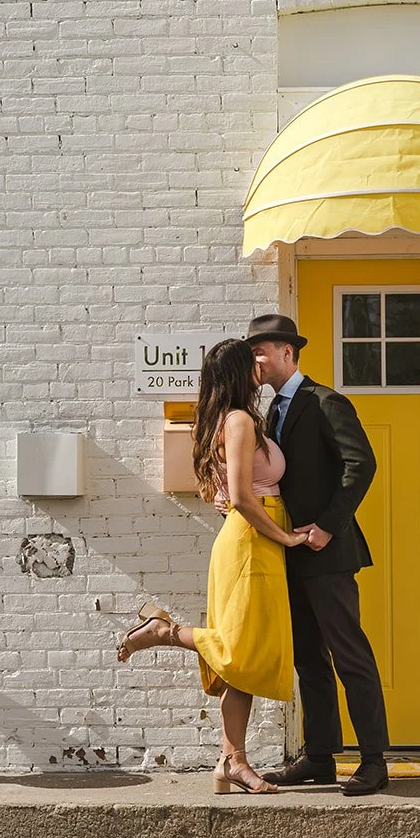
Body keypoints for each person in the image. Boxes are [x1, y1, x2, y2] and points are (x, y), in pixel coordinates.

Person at [115, 337, 308, 794]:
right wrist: (285, 535)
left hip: (247, 539)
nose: (261, 365)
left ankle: (231, 761)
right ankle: (165, 631)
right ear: (241, 372)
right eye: (253, 360)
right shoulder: (239, 420)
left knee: (243, 660)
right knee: (241, 650)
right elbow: (242, 496)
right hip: (252, 540)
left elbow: (220, 494)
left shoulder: (225, 420)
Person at [245, 312, 391, 796]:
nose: (256, 361)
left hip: (327, 553)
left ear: (287, 352)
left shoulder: (326, 401)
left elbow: (361, 464)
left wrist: (328, 526)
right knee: (308, 658)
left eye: (261, 351)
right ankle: (320, 757)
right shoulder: (268, 413)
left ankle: (373, 761)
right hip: (288, 552)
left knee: (350, 656)